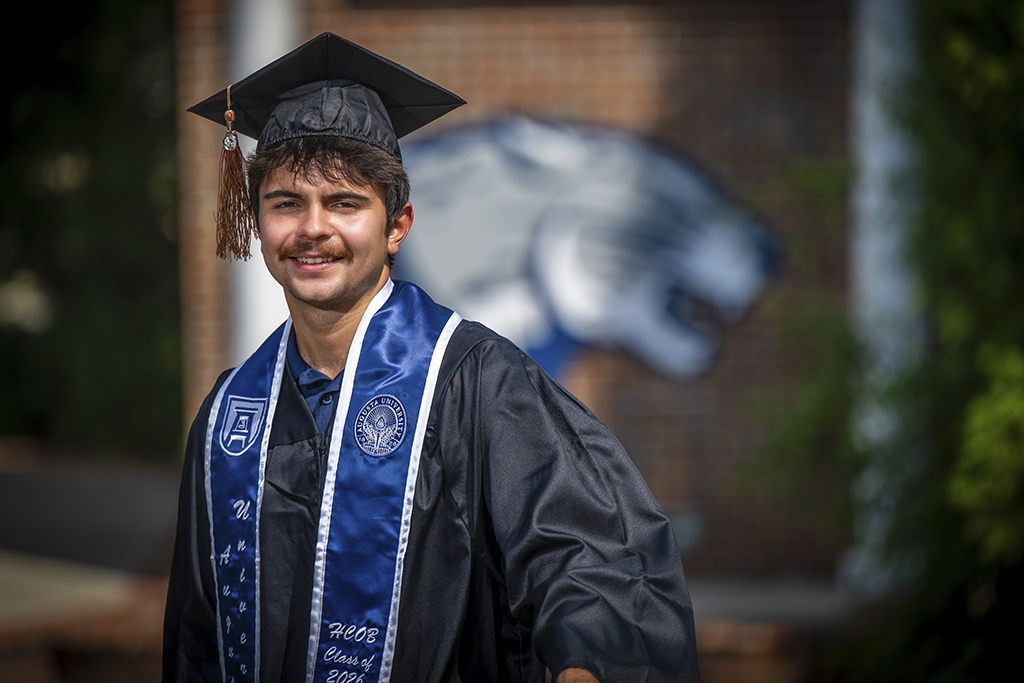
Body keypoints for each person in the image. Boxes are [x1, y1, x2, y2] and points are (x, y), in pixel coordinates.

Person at [163, 32, 700, 683]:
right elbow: (197, 636)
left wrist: (586, 663)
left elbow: (590, 555)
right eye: (286, 203)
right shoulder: (230, 416)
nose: (312, 228)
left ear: (397, 226)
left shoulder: (479, 381)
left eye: (344, 203)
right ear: (258, 221)